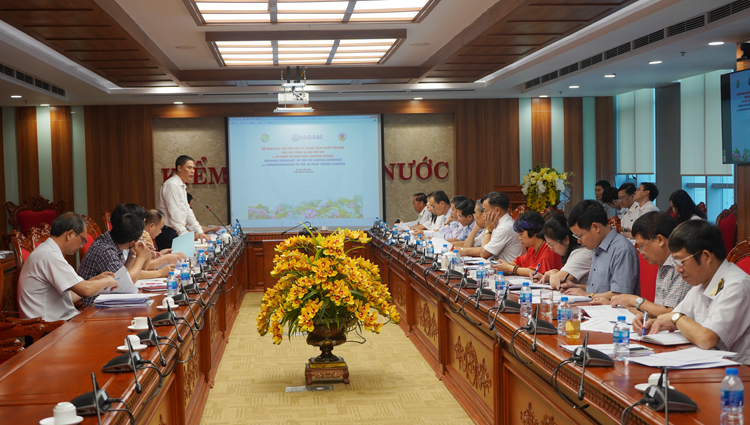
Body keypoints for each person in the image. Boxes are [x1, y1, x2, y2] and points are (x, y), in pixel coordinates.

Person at [636, 220, 750, 364]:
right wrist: (651, 324)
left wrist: (675, 318)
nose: (678, 269)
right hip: (708, 363)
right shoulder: (701, 283)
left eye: (681, 261)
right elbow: (674, 320)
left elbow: (706, 339)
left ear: (706, 256)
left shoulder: (737, 285)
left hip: (738, 371)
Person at [18, 213, 118, 322]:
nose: (82, 246)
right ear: (70, 234)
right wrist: (107, 281)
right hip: (51, 327)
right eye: (82, 240)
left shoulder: (47, 251)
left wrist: (94, 280)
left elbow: (68, 297)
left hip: (61, 321)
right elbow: (85, 290)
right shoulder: (49, 255)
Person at [78, 204, 164, 306]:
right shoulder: (106, 250)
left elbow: (123, 273)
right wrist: (141, 257)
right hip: (92, 306)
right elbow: (127, 285)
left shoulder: (110, 239)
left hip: (105, 300)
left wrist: (132, 254)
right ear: (132, 242)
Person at [610, 212, 691, 318]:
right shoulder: (663, 263)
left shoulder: (680, 265)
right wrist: (621, 307)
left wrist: (634, 300)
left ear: (660, 240)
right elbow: (657, 311)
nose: (641, 252)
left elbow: (671, 313)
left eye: (642, 246)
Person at [566, 200, 640, 302]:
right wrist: (576, 287)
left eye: (580, 236)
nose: (579, 241)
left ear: (595, 227)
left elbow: (620, 294)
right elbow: (598, 289)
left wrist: (587, 295)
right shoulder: (598, 247)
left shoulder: (621, 250)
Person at [156, 155, 208, 249]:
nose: (193, 171)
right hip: (168, 232)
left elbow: (187, 211)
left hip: (175, 231)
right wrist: (185, 236)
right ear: (179, 168)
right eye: (189, 168)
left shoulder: (181, 185)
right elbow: (175, 214)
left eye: (193, 168)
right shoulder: (172, 185)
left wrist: (199, 231)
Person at [492, 211, 562, 277]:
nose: (519, 238)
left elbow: (536, 272)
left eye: (521, 234)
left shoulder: (549, 248)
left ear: (534, 232)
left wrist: (509, 268)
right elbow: (520, 261)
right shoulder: (532, 249)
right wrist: (505, 265)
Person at [533, 214, 593, 289]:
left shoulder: (581, 254)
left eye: (552, 245)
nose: (551, 249)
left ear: (566, 239)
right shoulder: (574, 252)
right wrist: (549, 277)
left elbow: (556, 282)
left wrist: (553, 272)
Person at [476, 192, 524, 261]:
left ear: (497, 210)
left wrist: (489, 230)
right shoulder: (494, 223)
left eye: (485, 211)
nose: (484, 214)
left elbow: (483, 254)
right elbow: (476, 243)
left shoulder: (505, 228)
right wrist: (461, 250)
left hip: (509, 267)